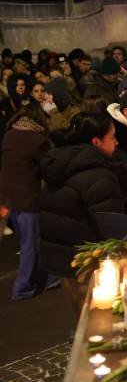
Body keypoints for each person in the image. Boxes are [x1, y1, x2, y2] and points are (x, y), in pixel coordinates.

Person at [39, 112, 127, 278]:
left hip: (58, 258)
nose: (117, 142)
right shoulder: (98, 174)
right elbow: (111, 226)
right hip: (86, 263)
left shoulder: (61, 160)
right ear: (96, 141)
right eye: (112, 137)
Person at [0, 105, 52, 300]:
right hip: (27, 198)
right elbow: (49, 167)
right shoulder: (37, 140)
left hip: (7, 197)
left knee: (26, 242)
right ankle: (21, 288)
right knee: (30, 244)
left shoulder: (9, 134)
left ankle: (46, 278)